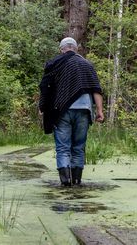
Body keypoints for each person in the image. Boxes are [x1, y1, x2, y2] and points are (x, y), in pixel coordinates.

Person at [39, 37, 104, 186]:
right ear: (76, 49)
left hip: (62, 111)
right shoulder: (87, 65)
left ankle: (66, 182)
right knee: (78, 147)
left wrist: (42, 106)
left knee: (63, 147)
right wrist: (100, 111)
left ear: (61, 49)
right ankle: (76, 181)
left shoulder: (55, 64)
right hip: (84, 110)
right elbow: (96, 89)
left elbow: (45, 87)